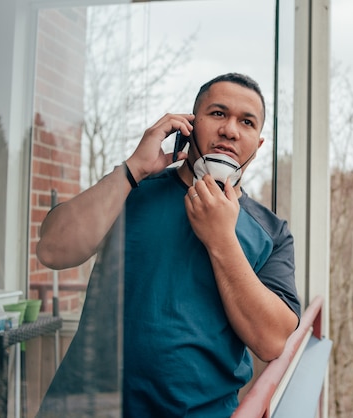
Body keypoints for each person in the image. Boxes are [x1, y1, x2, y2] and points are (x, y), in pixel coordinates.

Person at [36, 73, 301, 417]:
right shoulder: (130, 191)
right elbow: (52, 250)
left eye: (246, 122)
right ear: (189, 125)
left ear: (258, 143)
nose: (230, 130)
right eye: (218, 114)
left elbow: (271, 341)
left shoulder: (272, 233)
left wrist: (221, 239)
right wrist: (133, 170)